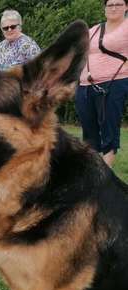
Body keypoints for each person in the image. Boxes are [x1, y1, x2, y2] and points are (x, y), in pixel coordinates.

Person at [75, 0, 128, 168]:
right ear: (104, 8)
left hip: (114, 82)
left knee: (108, 128)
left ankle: (106, 176)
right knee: (89, 130)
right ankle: (93, 171)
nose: (113, 8)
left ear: (126, 6)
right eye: (110, 4)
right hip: (85, 85)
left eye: (118, 4)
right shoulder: (94, 29)